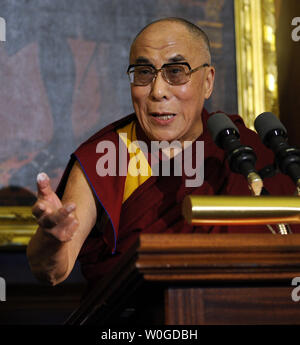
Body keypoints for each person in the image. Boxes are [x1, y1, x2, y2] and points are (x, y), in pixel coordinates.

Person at [27, 17, 299, 291]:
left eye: (176, 72)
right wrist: (52, 239)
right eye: (144, 73)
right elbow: (53, 271)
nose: (158, 91)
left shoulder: (245, 153)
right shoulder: (104, 158)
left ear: (207, 82)